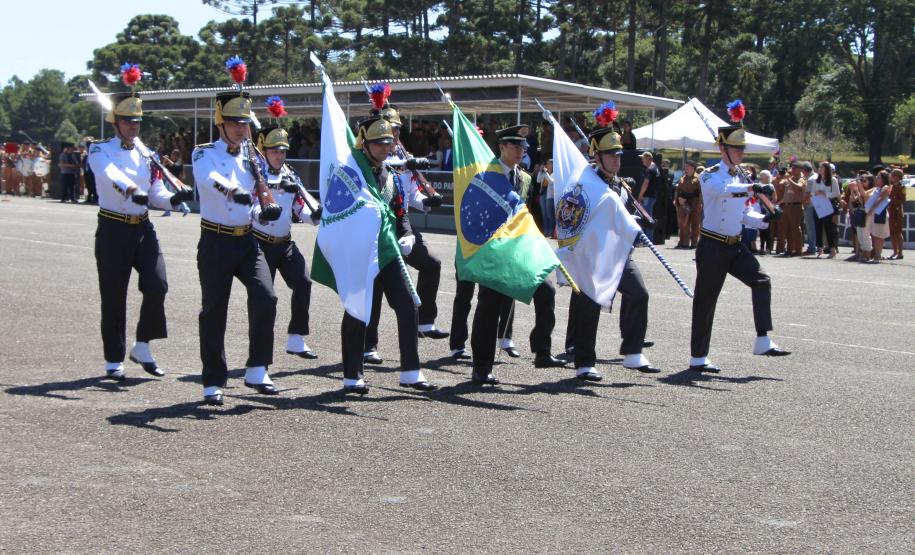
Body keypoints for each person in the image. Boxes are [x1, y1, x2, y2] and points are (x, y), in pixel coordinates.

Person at [88, 89, 194, 382]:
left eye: (137, 121)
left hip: (142, 226)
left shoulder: (146, 153)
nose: (133, 126)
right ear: (116, 122)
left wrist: (173, 199)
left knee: (157, 284)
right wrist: (133, 191)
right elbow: (110, 174)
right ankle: (113, 359)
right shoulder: (99, 150)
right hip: (112, 227)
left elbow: (156, 191)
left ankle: (143, 345)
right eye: (127, 121)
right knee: (113, 296)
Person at [191, 88, 283, 406]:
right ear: (220, 123)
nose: (241, 129)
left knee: (266, 297)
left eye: (244, 124)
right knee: (214, 312)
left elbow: (256, 201)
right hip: (215, 240)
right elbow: (209, 178)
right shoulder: (203, 153)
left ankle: (257, 367)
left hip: (246, 239)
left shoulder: (252, 158)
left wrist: (263, 212)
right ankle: (213, 380)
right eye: (234, 123)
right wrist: (233, 191)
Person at [339, 114, 437, 394]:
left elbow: (399, 210)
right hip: (361, 252)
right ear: (364, 143)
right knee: (358, 311)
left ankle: (410, 371)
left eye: (387, 142)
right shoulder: (351, 173)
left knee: (408, 305)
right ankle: (352, 374)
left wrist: (405, 232)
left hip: (388, 249)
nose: (385, 147)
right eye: (378, 143)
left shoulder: (391, 175)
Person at [688, 103, 789, 374]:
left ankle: (762, 338)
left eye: (742, 149)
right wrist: (753, 186)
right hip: (712, 245)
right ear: (723, 149)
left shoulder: (740, 178)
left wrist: (766, 220)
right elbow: (724, 192)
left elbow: (744, 214)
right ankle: (698, 357)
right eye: (736, 148)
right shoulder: (709, 176)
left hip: (735, 245)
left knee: (762, 280)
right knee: (706, 301)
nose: (740, 153)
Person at [469, 125, 566, 386]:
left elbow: (527, 213)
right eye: (514, 146)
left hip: (520, 249)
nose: (520, 151)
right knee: (489, 306)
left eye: (523, 147)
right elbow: (475, 215)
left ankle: (542, 351)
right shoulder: (485, 176)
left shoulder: (523, 178)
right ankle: (481, 367)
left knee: (546, 291)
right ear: (501, 147)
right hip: (494, 251)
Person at [565, 121, 660, 381]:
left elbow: (627, 213)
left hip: (618, 254)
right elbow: (573, 215)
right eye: (610, 155)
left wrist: (637, 225)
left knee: (639, 293)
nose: (616, 159)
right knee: (588, 306)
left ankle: (632, 352)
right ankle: (584, 362)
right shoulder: (584, 183)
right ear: (597, 157)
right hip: (592, 255)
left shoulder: (620, 185)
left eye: (618, 154)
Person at [362, 90, 448, 367]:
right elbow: (380, 168)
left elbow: (411, 191)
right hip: (375, 229)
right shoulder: (372, 155)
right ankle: (367, 345)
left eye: (398, 129)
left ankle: (426, 321)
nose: (395, 135)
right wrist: (405, 163)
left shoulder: (403, 154)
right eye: (391, 129)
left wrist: (427, 201)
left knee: (432, 264)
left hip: (401, 223)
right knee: (374, 286)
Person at [251, 125, 321, 361]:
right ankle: (260, 352)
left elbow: (299, 206)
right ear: (264, 150)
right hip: (259, 244)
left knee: (303, 282)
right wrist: (263, 212)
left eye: (283, 151)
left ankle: (296, 338)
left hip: (285, 243)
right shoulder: (254, 175)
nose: (280, 156)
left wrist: (314, 216)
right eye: (274, 151)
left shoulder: (291, 175)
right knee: (264, 298)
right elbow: (250, 206)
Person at [811, 161, 840, 258]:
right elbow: (812, 192)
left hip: (828, 205)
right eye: (819, 168)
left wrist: (825, 194)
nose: (819, 169)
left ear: (826, 169)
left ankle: (832, 248)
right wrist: (816, 194)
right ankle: (819, 248)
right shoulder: (816, 180)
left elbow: (837, 193)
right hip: (818, 205)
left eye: (821, 168)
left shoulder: (833, 180)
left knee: (829, 227)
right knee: (818, 227)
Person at [779, 160, 806, 257]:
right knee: (787, 229)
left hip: (796, 206)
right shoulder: (791, 178)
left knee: (795, 228)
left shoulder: (801, 179)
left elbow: (799, 188)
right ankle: (790, 249)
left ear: (800, 169)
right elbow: (782, 187)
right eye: (792, 168)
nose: (792, 170)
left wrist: (789, 180)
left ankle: (798, 250)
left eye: (795, 168)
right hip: (787, 206)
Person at [864, 170, 892, 264]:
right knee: (874, 234)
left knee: (879, 235)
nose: (877, 178)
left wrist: (871, 209)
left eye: (879, 177)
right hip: (874, 214)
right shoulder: (876, 188)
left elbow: (880, 199)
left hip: (880, 212)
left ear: (884, 179)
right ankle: (876, 254)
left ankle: (878, 255)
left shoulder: (885, 187)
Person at [674, 160, 702, 249]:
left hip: (695, 204)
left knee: (695, 224)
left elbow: (700, 193)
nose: (686, 169)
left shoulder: (698, 179)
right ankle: (683, 242)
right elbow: (678, 190)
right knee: (683, 224)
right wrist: (677, 200)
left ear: (693, 168)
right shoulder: (683, 178)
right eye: (685, 167)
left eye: (688, 167)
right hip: (683, 204)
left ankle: (694, 243)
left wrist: (700, 203)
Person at [887, 168, 905, 260]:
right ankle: (894, 251)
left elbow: (902, 200)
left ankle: (900, 252)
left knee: (898, 232)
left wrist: (891, 200)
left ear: (898, 177)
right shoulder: (891, 186)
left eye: (893, 176)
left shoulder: (901, 187)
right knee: (892, 232)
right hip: (891, 211)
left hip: (897, 212)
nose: (892, 178)